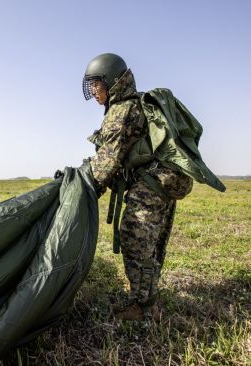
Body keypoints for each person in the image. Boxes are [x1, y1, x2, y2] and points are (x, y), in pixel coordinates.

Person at [83, 53, 194, 321]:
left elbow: (107, 163)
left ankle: (143, 308)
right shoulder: (137, 105)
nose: (94, 91)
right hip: (164, 182)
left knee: (136, 241)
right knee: (153, 245)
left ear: (112, 82)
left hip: (151, 184)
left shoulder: (122, 110)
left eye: (97, 84)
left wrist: (84, 184)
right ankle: (149, 302)